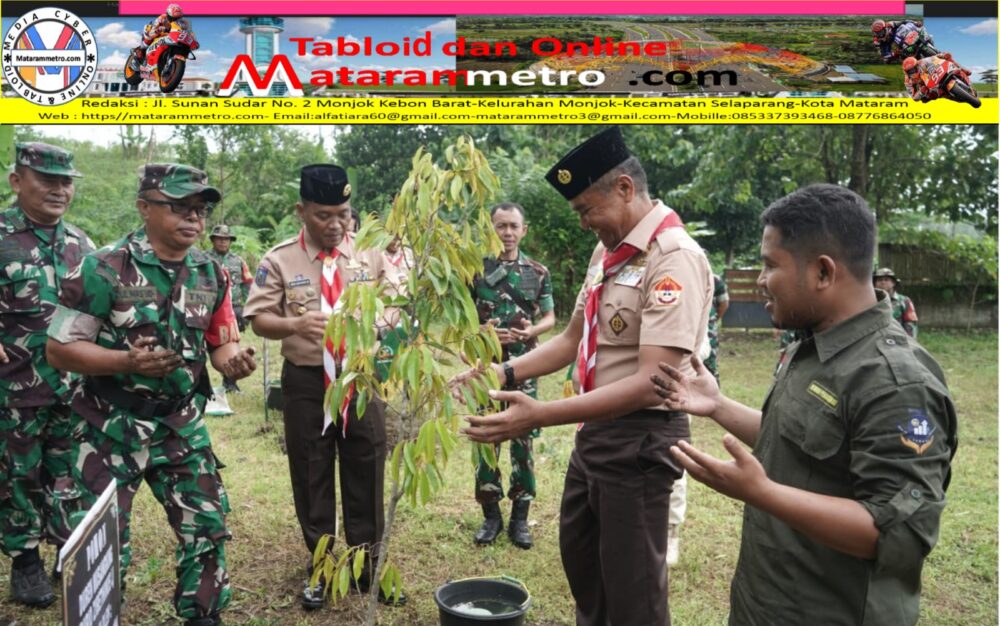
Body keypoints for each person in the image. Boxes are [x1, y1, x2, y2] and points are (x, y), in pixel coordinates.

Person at [651, 184, 957, 625]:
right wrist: (717, 405)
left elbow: (897, 531)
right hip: (770, 601)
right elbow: (803, 443)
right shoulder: (813, 345)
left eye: (770, 265)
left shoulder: (895, 382)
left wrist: (763, 493)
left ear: (823, 273)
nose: (759, 281)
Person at [462, 127, 713, 625]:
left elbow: (650, 381)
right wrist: (504, 369)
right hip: (595, 434)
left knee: (633, 594)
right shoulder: (608, 253)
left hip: (640, 441)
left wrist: (541, 415)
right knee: (585, 567)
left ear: (624, 189)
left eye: (585, 209)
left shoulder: (673, 258)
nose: (582, 223)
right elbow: (571, 339)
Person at [46, 163, 256, 626]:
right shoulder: (102, 268)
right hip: (109, 426)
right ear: (144, 208)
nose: (194, 219)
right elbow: (60, 349)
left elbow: (221, 342)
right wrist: (126, 361)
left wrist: (233, 361)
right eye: (179, 207)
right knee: (98, 542)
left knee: (205, 524)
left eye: (199, 210)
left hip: (180, 423)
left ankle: (202, 614)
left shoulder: (211, 272)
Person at [243, 164, 403, 609]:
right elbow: (258, 320)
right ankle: (323, 566)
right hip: (308, 382)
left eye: (344, 215)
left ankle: (368, 567)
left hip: (361, 377)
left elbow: (395, 304)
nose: (335, 226)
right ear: (301, 211)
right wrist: (295, 323)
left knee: (367, 466)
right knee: (311, 473)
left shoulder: (369, 253)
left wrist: (376, 325)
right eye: (323, 216)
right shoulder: (279, 259)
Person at [1, 142, 94, 608]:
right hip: (13, 387)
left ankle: (67, 549)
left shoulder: (82, 243)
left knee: (67, 472)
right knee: (17, 474)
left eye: (66, 182)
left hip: (72, 389)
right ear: (18, 181)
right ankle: (25, 561)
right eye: (48, 181)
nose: (60, 190)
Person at [470, 202, 555, 549]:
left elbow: (550, 319)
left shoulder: (538, 271)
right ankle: (491, 516)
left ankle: (521, 517)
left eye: (513, 226)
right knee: (485, 439)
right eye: (500, 226)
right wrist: (482, 332)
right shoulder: (475, 270)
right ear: (491, 229)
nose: (507, 233)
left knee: (523, 440)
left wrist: (531, 330)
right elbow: (462, 323)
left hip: (525, 366)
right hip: (485, 368)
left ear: (524, 230)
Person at [665, 272, 729, 567]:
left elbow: (701, 344)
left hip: (673, 389)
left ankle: (670, 532)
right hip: (622, 391)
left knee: (675, 460)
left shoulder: (692, 279)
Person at [206, 223, 254, 392]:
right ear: (213, 240)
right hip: (207, 311)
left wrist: (247, 309)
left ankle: (230, 383)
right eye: (219, 239)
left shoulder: (238, 261)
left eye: (226, 239)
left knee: (229, 344)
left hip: (232, 311)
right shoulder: (204, 259)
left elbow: (248, 284)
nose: (223, 243)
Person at [873, 267, 918, 338]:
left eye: (886, 280)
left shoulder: (904, 301)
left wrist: (910, 342)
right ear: (874, 284)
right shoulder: (871, 301)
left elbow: (910, 323)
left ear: (893, 283)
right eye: (879, 280)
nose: (883, 282)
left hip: (898, 340)